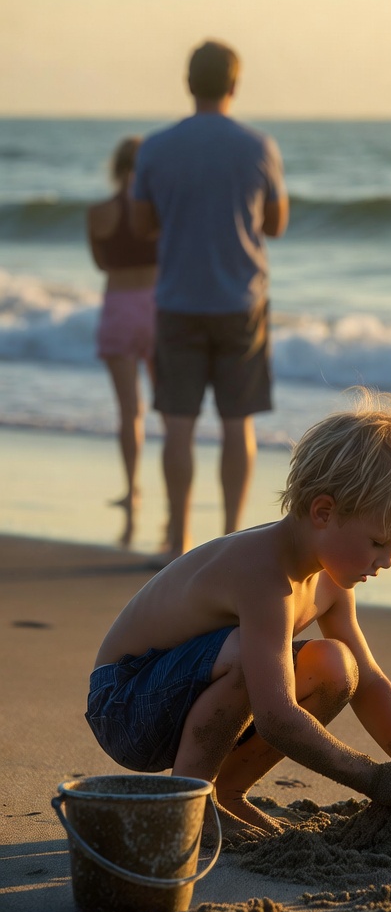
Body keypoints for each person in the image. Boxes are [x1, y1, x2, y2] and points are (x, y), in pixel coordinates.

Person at [85, 393, 391, 844]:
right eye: (378, 542)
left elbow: (370, 683)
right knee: (247, 654)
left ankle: (227, 792)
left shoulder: (330, 581)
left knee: (338, 667)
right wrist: (374, 780)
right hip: (126, 703)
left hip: (185, 700)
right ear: (324, 512)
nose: (387, 561)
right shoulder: (262, 571)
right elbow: (276, 716)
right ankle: (189, 803)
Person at [132, 40, 289, 558]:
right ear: (234, 86)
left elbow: (140, 224)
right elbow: (277, 223)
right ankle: (231, 537)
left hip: (179, 297)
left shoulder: (154, 147)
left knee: (177, 422)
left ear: (187, 83)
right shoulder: (258, 146)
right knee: (235, 422)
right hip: (240, 299)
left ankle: (177, 537)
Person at [87, 137, 157, 541]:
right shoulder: (159, 213)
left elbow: (101, 263)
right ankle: (175, 496)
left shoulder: (97, 213)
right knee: (170, 410)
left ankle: (132, 491)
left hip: (118, 306)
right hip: (158, 306)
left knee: (128, 410)